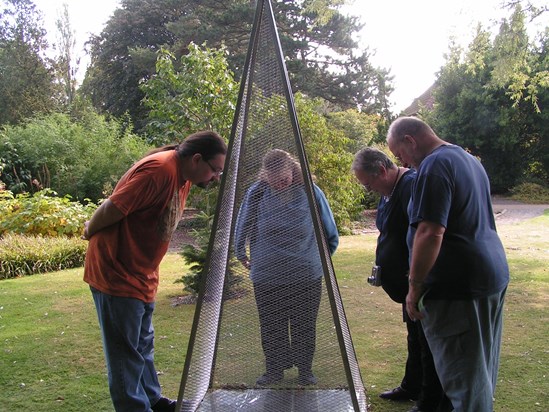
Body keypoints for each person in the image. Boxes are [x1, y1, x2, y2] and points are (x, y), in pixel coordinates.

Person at [82, 131, 227, 412]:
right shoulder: (159, 170)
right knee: (125, 357)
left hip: (141, 276)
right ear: (197, 159)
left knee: (142, 347)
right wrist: (89, 229)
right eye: (215, 170)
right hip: (117, 275)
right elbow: (113, 207)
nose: (215, 177)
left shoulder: (183, 177)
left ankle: (154, 402)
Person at [387, 117, 509, 412]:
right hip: (489, 278)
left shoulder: (433, 166)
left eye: (398, 152)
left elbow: (430, 231)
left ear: (410, 140)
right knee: (479, 373)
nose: (399, 160)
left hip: (457, 289)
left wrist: (414, 288)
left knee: (463, 380)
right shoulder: (468, 160)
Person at [234, 149, 339, 387]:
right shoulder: (257, 193)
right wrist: (240, 253)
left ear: (293, 171)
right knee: (272, 324)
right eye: (274, 181)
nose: (280, 184)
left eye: (284, 180)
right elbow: (243, 224)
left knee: (304, 323)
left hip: (306, 274)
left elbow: (330, 231)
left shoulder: (310, 192)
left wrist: (320, 259)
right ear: (266, 176)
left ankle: (305, 370)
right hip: (267, 275)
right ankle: (274, 370)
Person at [352, 148, 446, 412]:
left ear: (382, 170)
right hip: (402, 285)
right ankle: (411, 386)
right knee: (414, 337)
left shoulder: (412, 186)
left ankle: (428, 401)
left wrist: (415, 279)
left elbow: (425, 233)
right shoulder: (388, 192)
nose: (369, 190)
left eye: (369, 183)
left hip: (416, 281)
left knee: (426, 342)